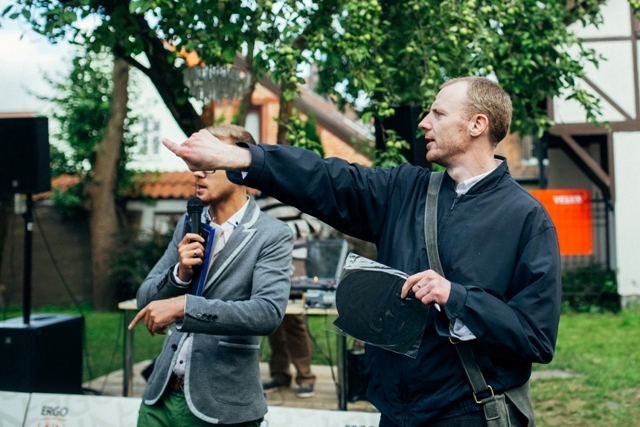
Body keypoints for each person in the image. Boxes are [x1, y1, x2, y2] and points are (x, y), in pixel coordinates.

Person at [162, 77, 561, 426]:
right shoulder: (405, 190)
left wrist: (456, 297)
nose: (424, 122)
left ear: (477, 124)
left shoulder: (526, 218)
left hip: (468, 411)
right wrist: (240, 157)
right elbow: (327, 179)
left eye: (438, 114)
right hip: (395, 410)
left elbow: (536, 337)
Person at [128, 124, 294, 427]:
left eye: (209, 164)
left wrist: (185, 306)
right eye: (196, 165)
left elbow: (267, 313)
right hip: (159, 399)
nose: (197, 173)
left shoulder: (272, 234)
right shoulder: (189, 222)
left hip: (221, 405)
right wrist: (179, 274)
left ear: (240, 169)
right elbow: (145, 298)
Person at [253, 195, 319, 398]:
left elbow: (314, 224)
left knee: (294, 319)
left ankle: (305, 377)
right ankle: (280, 375)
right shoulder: (257, 199)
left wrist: (279, 231)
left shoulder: (291, 191)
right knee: (272, 318)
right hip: (267, 263)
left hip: (294, 260)